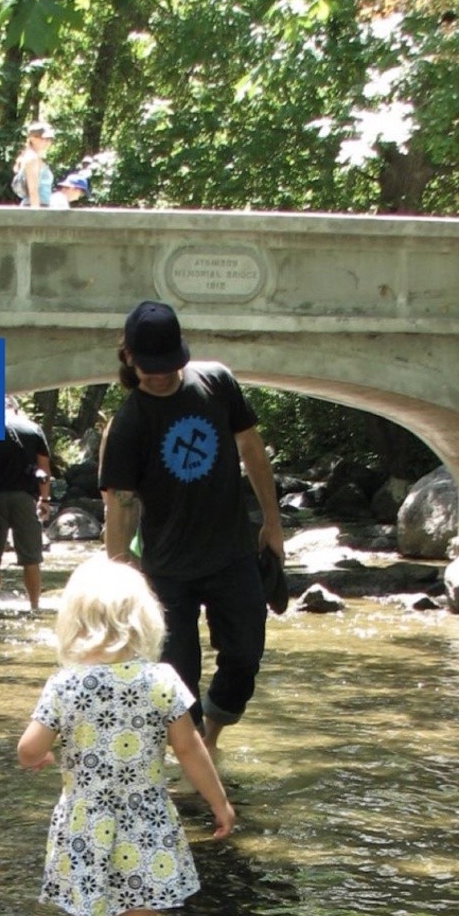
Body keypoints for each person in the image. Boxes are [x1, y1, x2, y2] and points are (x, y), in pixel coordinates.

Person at [17, 555, 234, 916]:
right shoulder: (160, 681)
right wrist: (219, 803)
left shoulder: (65, 686)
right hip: (145, 823)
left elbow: (28, 748)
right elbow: (191, 751)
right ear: (142, 621)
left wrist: (44, 755)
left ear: (74, 622)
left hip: (85, 825)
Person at [100, 301, 285, 756]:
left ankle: (211, 737)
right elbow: (119, 511)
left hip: (232, 554)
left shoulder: (217, 382)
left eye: (169, 365)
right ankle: (195, 758)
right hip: (168, 570)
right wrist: (120, 585)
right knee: (176, 678)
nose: (160, 375)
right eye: (150, 367)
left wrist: (273, 524)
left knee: (244, 658)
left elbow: (252, 450)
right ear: (129, 359)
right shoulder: (127, 426)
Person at [0, 397, 52, 611]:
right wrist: (45, 499)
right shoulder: (33, 429)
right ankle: (34, 606)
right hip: (24, 498)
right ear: (16, 409)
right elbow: (44, 469)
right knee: (31, 558)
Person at [11, 121, 55, 209]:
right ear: (32, 138)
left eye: (49, 139)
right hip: (35, 207)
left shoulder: (35, 158)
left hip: (41, 206)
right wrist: (36, 216)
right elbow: (33, 191)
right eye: (44, 139)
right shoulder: (32, 159)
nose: (47, 142)